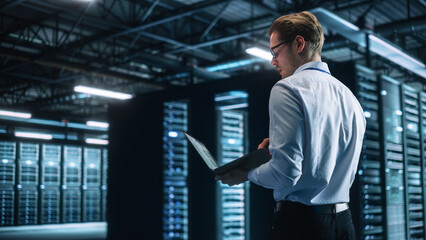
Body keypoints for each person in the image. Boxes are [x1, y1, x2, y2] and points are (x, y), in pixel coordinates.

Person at [215, 11, 366, 240]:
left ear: (298, 44)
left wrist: (247, 172)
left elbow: (286, 175)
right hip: (344, 226)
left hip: (302, 227)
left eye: (275, 52)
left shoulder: (287, 88)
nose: (273, 61)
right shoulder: (350, 98)